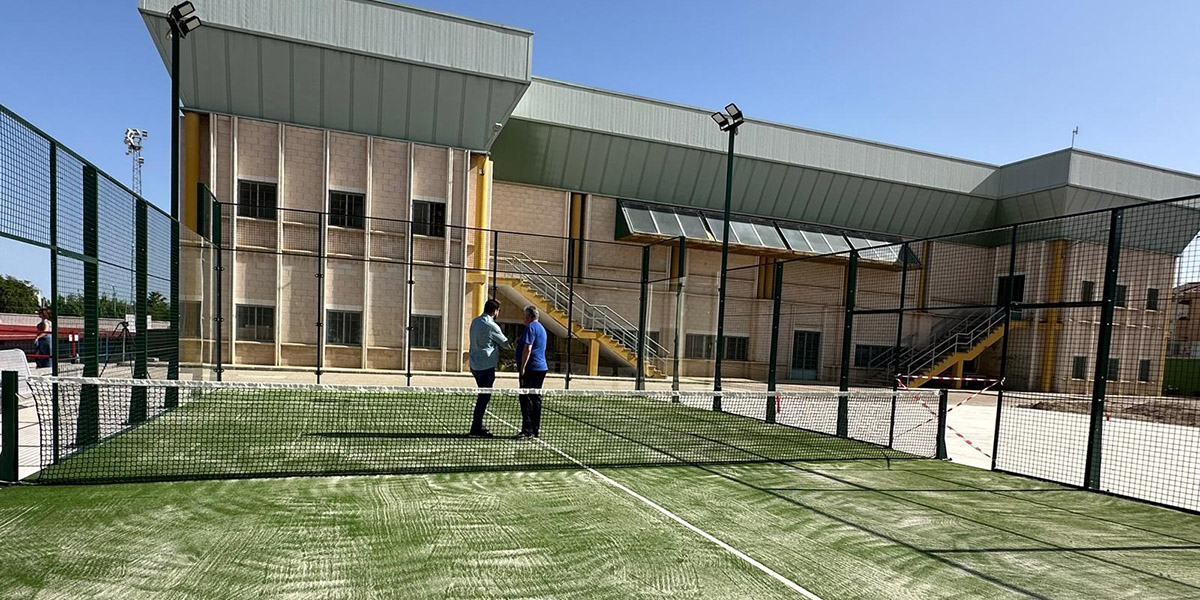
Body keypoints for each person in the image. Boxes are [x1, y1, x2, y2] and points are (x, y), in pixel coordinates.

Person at [467, 299, 508, 437]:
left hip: (474, 365)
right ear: (495, 311)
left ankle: (478, 424)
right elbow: (505, 343)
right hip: (486, 366)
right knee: (484, 397)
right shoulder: (492, 325)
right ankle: (476, 427)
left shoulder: (475, 321)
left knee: (482, 395)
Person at [517, 305, 548, 438]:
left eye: (525, 316)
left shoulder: (531, 327)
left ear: (528, 317)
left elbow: (527, 348)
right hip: (540, 368)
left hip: (532, 368)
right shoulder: (541, 328)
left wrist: (522, 367)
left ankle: (528, 430)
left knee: (526, 398)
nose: (523, 318)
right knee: (535, 398)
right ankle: (534, 429)